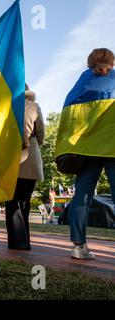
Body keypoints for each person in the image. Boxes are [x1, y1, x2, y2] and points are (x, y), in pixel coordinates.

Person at [55, 48, 115, 260]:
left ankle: (78, 246)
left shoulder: (80, 84)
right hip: (111, 145)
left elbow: (68, 118)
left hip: (85, 149)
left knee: (82, 196)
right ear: (111, 61)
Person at [5, 84, 45, 250]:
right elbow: (41, 131)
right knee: (24, 201)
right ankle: (25, 240)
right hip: (30, 155)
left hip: (10, 156)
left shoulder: (6, 106)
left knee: (12, 201)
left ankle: (16, 241)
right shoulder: (34, 106)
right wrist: (35, 144)